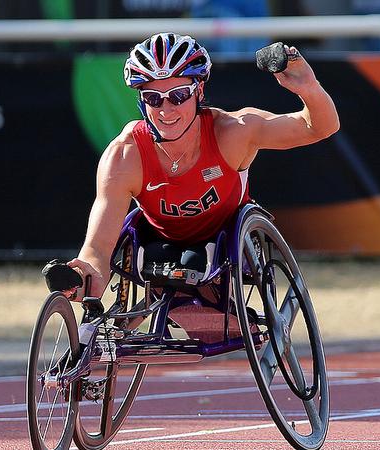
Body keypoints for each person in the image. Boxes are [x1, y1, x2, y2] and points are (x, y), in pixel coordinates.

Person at [65, 32, 339, 299]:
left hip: (225, 240)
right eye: (153, 98)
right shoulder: (125, 155)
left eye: (179, 95)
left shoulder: (234, 132)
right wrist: (87, 274)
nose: (166, 109)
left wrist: (308, 88)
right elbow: (98, 247)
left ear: (199, 91)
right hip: (158, 244)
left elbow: (318, 128)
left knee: (195, 264)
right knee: (161, 260)